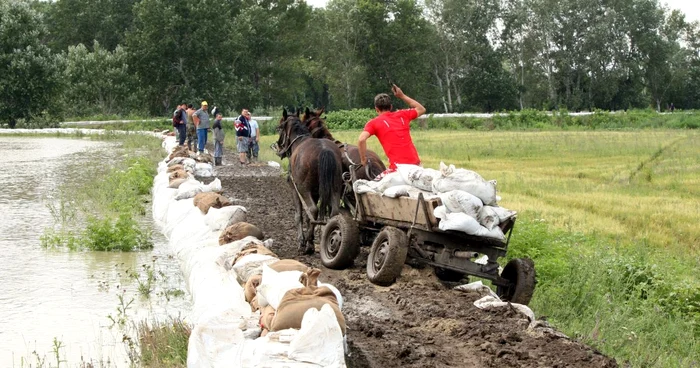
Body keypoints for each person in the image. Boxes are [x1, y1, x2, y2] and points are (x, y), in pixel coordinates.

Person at [358, 84, 426, 180]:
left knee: (373, 185)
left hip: (398, 170)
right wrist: (402, 96)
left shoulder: (373, 123)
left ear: (376, 109)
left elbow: (361, 139)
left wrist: (363, 159)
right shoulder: (403, 115)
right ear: (391, 106)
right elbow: (421, 109)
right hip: (417, 166)